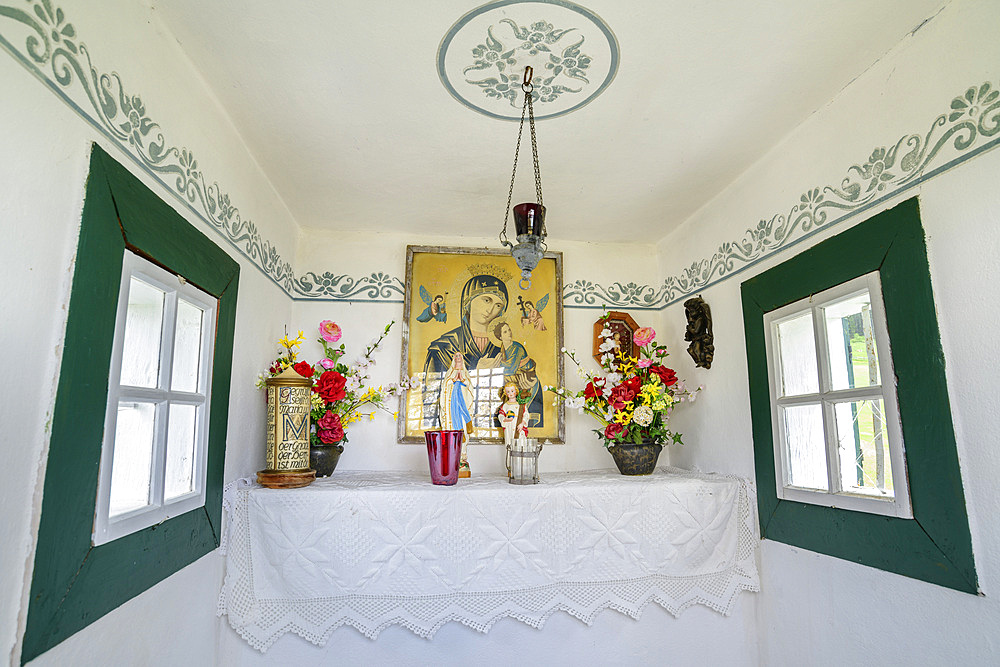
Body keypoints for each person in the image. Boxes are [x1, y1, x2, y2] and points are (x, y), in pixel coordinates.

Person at [422, 273, 509, 430]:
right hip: (454, 422)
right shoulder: (443, 347)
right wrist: (475, 371)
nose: (491, 309)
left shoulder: (502, 349)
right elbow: (430, 396)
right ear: (468, 301)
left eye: (498, 305)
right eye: (487, 300)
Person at [493, 320, 544, 427]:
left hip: (527, 380)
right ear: (500, 337)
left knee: (521, 411)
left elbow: (511, 368)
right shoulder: (503, 348)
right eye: (505, 332)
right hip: (514, 380)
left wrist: (495, 364)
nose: (509, 333)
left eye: (509, 330)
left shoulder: (517, 347)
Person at [439, 352, 474, 477]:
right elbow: (444, 388)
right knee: (452, 430)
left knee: (464, 428)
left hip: (462, 405)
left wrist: (463, 381)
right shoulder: (450, 373)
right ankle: (453, 459)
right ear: (454, 359)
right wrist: (453, 380)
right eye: (456, 356)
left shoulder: (465, 373)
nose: (458, 358)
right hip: (451, 407)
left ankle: (462, 459)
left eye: (460, 356)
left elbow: (470, 388)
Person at [495, 381, 529, 450]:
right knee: (510, 446)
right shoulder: (505, 405)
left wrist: (522, 423)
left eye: (512, 391)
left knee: (521, 446)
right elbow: (500, 415)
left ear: (516, 391)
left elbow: (526, 415)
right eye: (508, 392)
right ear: (506, 393)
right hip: (509, 427)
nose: (510, 393)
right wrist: (505, 419)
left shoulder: (520, 404)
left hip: (519, 428)